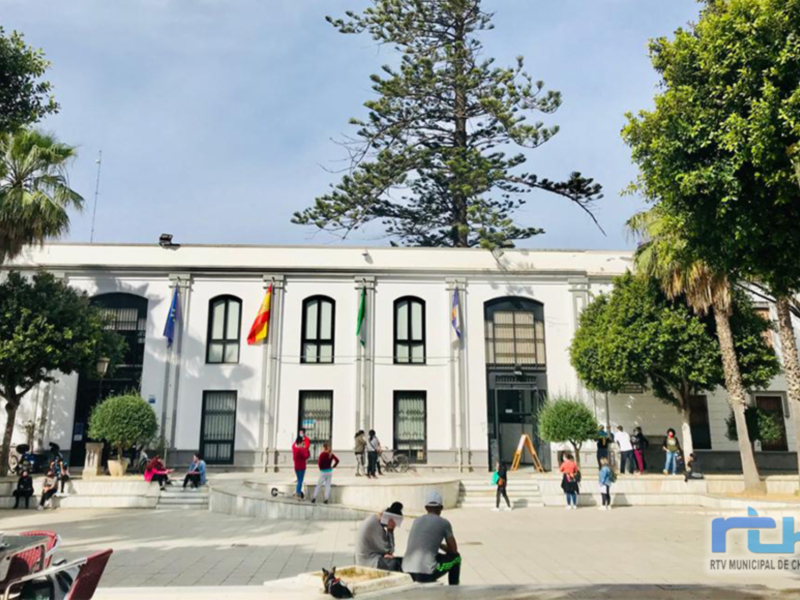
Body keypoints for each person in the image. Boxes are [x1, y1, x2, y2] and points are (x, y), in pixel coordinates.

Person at [403, 491, 461, 586]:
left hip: (407, 569)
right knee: (456, 558)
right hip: (426, 573)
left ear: (426, 507)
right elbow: (454, 550)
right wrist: (441, 546)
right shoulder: (444, 523)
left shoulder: (416, 521)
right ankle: (454, 589)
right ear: (441, 508)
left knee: (433, 555)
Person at [356, 501, 404, 572]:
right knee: (395, 564)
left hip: (373, 557)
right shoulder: (375, 525)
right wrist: (390, 531)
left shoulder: (374, 520)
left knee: (402, 562)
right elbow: (390, 550)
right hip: (368, 562)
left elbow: (387, 551)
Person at [292, 435, 311, 499]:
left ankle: (299, 492)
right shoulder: (300, 450)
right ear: (300, 443)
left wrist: (298, 440)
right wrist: (307, 450)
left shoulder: (294, 448)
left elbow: (294, 443)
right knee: (300, 480)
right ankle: (298, 493)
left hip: (296, 467)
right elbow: (306, 456)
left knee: (299, 480)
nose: (303, 444)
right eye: (302, 443)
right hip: (302, 467)